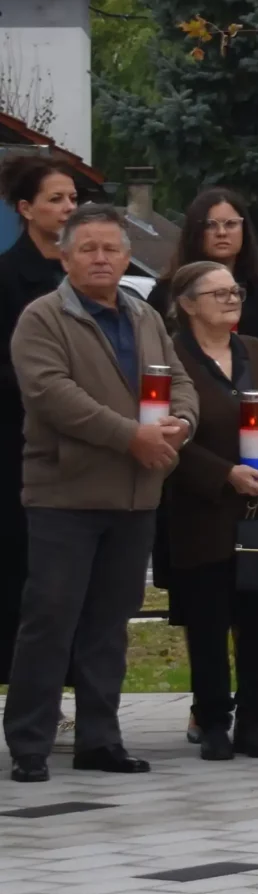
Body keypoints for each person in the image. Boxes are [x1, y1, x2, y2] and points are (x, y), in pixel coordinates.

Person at [5, 203, 198, 781]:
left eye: (111, 248)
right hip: (66, 494)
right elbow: (51, 394)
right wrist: (130, 436)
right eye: (87, 248)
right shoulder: (42, 318)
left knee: (110, 623)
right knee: (50, 619)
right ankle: (30, 744)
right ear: (64, 256)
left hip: (136, 494)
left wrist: (181, 426)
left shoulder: (143, 315)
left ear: (125, 256)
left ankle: (100, 739)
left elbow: (180, 379)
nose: (101, 258)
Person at [160, 257, 258, 761]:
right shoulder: (171, 356)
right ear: (187, 305)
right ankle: (214, 720)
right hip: (204, 512)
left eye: (234, 291)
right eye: (218, 293)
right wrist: (225, 473)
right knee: (207, 619)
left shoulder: (257, 351)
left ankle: (253, 719)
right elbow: (168, 435)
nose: (231, 299)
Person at [0, 154, 75, 690]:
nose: (68, 207)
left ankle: (69, 689)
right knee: (23, 572)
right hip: (21, 444)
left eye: (73, 198)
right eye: (56, 198)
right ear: (26, 209)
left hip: (88, 449)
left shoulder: (84, 275)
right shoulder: (8, 276)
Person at [151, 189, 258, 376]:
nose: (221, 232)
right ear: (195, 232)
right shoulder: (167, 294)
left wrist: (254, 383)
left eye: (231, 224)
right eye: (210, 225)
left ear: (244, 230)